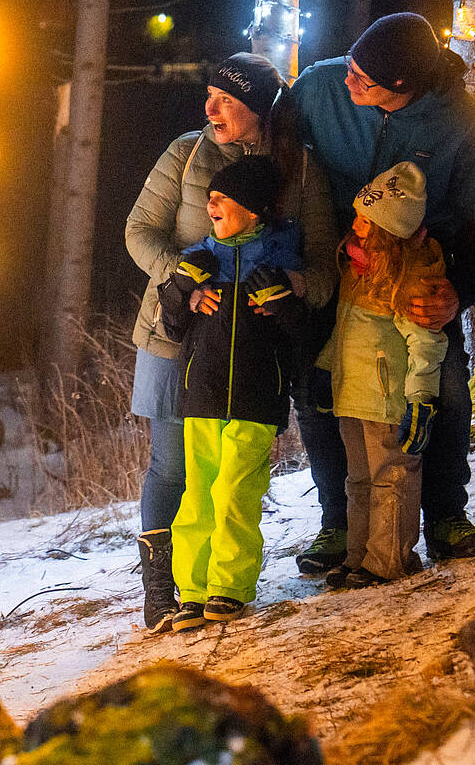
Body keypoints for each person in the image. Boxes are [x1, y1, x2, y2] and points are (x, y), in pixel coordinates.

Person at [282, 13, 475, 572]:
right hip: (335, 269)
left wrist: (458, 290)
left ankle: (446, 517)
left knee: (445, 388)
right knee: (322, 393)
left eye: (364, 78)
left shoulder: (460, 124)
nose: (347, 81)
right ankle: (339, 524)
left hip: (419, 276)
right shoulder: (319, 87)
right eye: (351, 64)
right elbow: (276, 150)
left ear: (404, 87)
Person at [123, 53, 337, 630]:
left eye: (226, 98)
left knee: (233, 473)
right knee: (172, 466)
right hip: (174, 334)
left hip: (252, 349)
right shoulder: (186, 152)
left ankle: (222, 580)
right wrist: (185, 281)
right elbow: (139, 232)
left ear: (260, 106)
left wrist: (290, 287)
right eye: (209, 95)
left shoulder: (300, 169)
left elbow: (325, 267)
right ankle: (164, 589)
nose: (210, 108)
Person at [153, 156, 309, 630]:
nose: (211, 202)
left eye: (226, 197)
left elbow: (302, 338)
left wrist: (283, 305)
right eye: (212, 196)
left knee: (236, 491)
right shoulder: (199, 259)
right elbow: (172, 328)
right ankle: (193, 591)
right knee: (198, 493)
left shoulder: (280, 263)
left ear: (256, 210)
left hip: (256, 397)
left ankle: (229, 586)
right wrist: (180, 288)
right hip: (201, 395)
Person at [317, 162, 446, 587]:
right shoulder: (358, 268)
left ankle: (389, 559)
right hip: (352, 395)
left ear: (390, 230)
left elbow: (425, 342)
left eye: (365, 220)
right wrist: (326, 371)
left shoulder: (410, 275)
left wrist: (422, 399)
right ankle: (359, 556)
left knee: (391, 477)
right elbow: (346, 330)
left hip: (388, 399)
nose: (354, 225)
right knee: (358, 479)